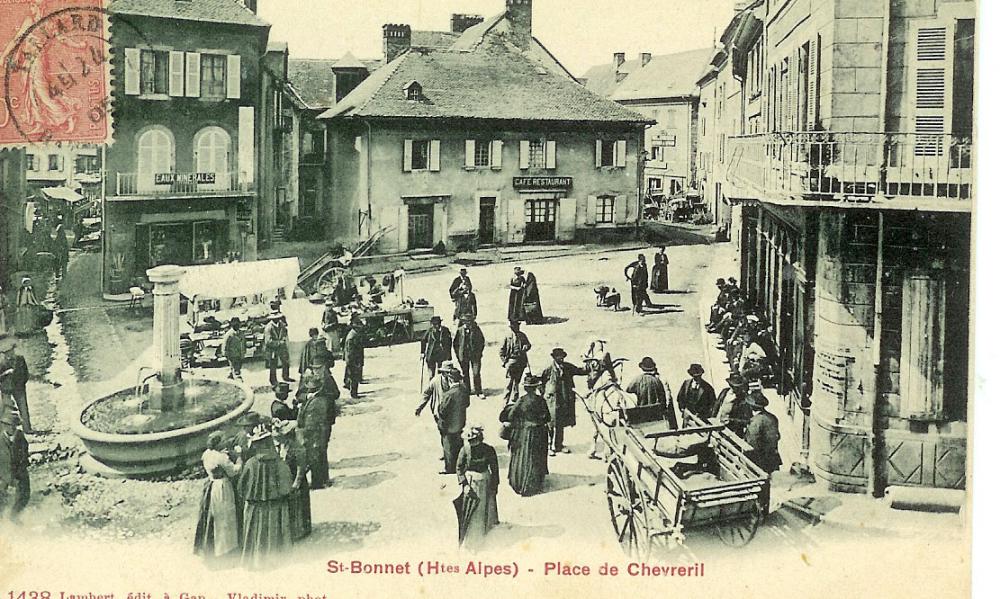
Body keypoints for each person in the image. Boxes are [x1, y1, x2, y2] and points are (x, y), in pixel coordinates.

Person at [238, 426, 294, 570]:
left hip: (254, 506)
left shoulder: (250, 463)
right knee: (274, 531)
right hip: (276, 505)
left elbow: (242, 487)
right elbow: (286, 486)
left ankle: (255, 560)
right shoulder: (279, 463)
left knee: (255, 532)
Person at [193, 431, 242, 562]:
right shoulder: (222, 458)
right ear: (219, 443)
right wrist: (238, 458)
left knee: (212, 515)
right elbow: (233, 471)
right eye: (223, 440)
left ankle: (212, 548)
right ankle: (226, 548)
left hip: (211, 485)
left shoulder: (207, 454)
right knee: (225, 517)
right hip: (222, 487)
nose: (226, 441)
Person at [416, 363, 469, 474]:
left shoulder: (457, 386)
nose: (447, 374)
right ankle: (448, 455)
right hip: (439, 414)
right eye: (446, 372)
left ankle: (450, 462)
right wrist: (419, 407)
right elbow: (426, 393)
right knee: (446, 437)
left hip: (452, 414)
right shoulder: (435, 381)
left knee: (450, 438)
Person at [502, 374, 549, 496]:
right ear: (535, 387)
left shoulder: (521, 400)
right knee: (535, 457)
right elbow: (547, 417)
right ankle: (534, 484)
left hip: (523, 432)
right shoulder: (541, 400)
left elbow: (511, 415)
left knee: (522, 456)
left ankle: (519, 482)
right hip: (538, 432)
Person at [455, 426, 499, 549]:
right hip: (470, 482)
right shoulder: (465, 450)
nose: (472, 444)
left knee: (486, 508)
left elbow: (494, 469)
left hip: (485, 481)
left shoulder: (489, 450)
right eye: (469, 441)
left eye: (474, 440)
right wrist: (464, 484)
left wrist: (494, 486)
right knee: (471, 510)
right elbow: (459, 468)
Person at [540, 348, 586, 456]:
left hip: (564, 400)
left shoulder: (568, 367)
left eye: (562, 356)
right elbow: (541, 383)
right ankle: (550, 445)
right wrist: (545, 395)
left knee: (561, 423)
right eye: (558, 356)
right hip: (552, 401)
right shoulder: (548, 370)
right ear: (554, 357)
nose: (561, 358)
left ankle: (559, 445)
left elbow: (580, 371)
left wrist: (593, 366)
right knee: (550, 424)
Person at [296, 370, 337, 489]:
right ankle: (324, 479)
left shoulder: (318, 402)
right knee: (321, 454)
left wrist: (303, 432)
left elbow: (312, 422)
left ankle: (318, 482)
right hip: (321, 430)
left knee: (316, 455)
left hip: (316, 432)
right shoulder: (319, 397)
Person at [744, 390, 781, 516]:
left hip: (758, 459)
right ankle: (765, 509)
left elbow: (751, 443)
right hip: (772, 457)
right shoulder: (772, 418)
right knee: (766, 484)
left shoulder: (755, 422)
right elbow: (777, 436)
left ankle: (755, 510)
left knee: (756, 483)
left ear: (752, 406)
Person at [275, 421, 311, 541]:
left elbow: (301, 467)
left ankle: (302, 529)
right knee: (291, 505)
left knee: (300, 503)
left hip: (296, 478)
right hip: (287, 477)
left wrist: (297, 482)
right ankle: (292, 530)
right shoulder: (282, 446)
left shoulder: (297, 448)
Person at [625, 357, 677, 429]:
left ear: (642, 368)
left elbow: (628, 391)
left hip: (642, 414)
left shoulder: (637, 380)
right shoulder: (657, 381)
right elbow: (663, 399)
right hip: (656, 414)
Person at [0, 337, 32, 434]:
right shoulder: (2, 364)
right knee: (7, 410)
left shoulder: (20, 359)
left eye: (10, 352)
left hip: (19, 388)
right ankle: (9, 431)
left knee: (24, 409)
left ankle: (27, 429)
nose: (9, 354)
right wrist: (6, 373)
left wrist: (22, 383)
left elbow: (26, 373)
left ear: (13, 351)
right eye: (6, 353)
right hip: (6, 390)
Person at [453, 316, 485, 399]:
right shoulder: (460, 331)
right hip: (464, 356)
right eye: (466, 322)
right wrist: (458, 355)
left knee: (476, 373)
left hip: (475, 356)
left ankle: (478, 391)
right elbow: (455, 344)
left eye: (469, 322)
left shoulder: (476, 329)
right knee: (465, 374)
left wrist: (479, 352)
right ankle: (467, 391)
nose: (468, 324)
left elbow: (482, 341)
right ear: (463, 322)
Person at [499, 320, 531, 403]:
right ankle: (505, 402)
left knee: (517, 381)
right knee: (509, 382)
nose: (516, 328)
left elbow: (528, 344)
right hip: (511, 361)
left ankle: (515, 399)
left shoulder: (522, 335)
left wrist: (526, 346)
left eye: (517, 326)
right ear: (511, 327)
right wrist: (505, 362)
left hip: (521, 361)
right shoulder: (507, 336)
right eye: (514, 326)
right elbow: (501, 351)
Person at [264, 313, 293, 388]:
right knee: (273, 364)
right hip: (272, 349)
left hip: (282, 347)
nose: (278, 319)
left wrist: (283, 338)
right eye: (276, 318)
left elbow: (285, 332)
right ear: (272, 319)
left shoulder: (281, 325)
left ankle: (286, 376)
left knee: (285, 361)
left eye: (278, 318)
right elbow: (268, 341)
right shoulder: (268, 328)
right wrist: (279, 343)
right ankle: (273, 380)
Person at [343, 317, 365, 399]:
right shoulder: (352, 336)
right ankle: (354, 394)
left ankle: (350, 388)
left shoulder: (353, 334)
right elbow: (350, 352)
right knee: (354, 376)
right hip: (353, 360)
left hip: (354, 359)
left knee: (352, 375)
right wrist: (355, 362)